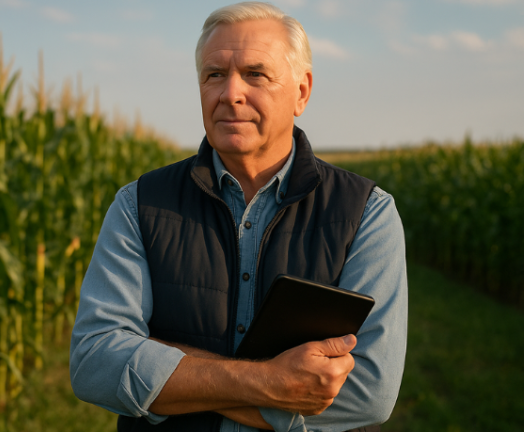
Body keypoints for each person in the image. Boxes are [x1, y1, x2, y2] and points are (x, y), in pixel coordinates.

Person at [70, 2, 407, 432]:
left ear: (301, 91)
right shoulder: (139, 205)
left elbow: (369, 393)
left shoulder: (367, 214)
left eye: (255, 74)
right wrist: (271, 382)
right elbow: (94, 360)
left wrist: (172, 376)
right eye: (214, 75)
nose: (230, 93)